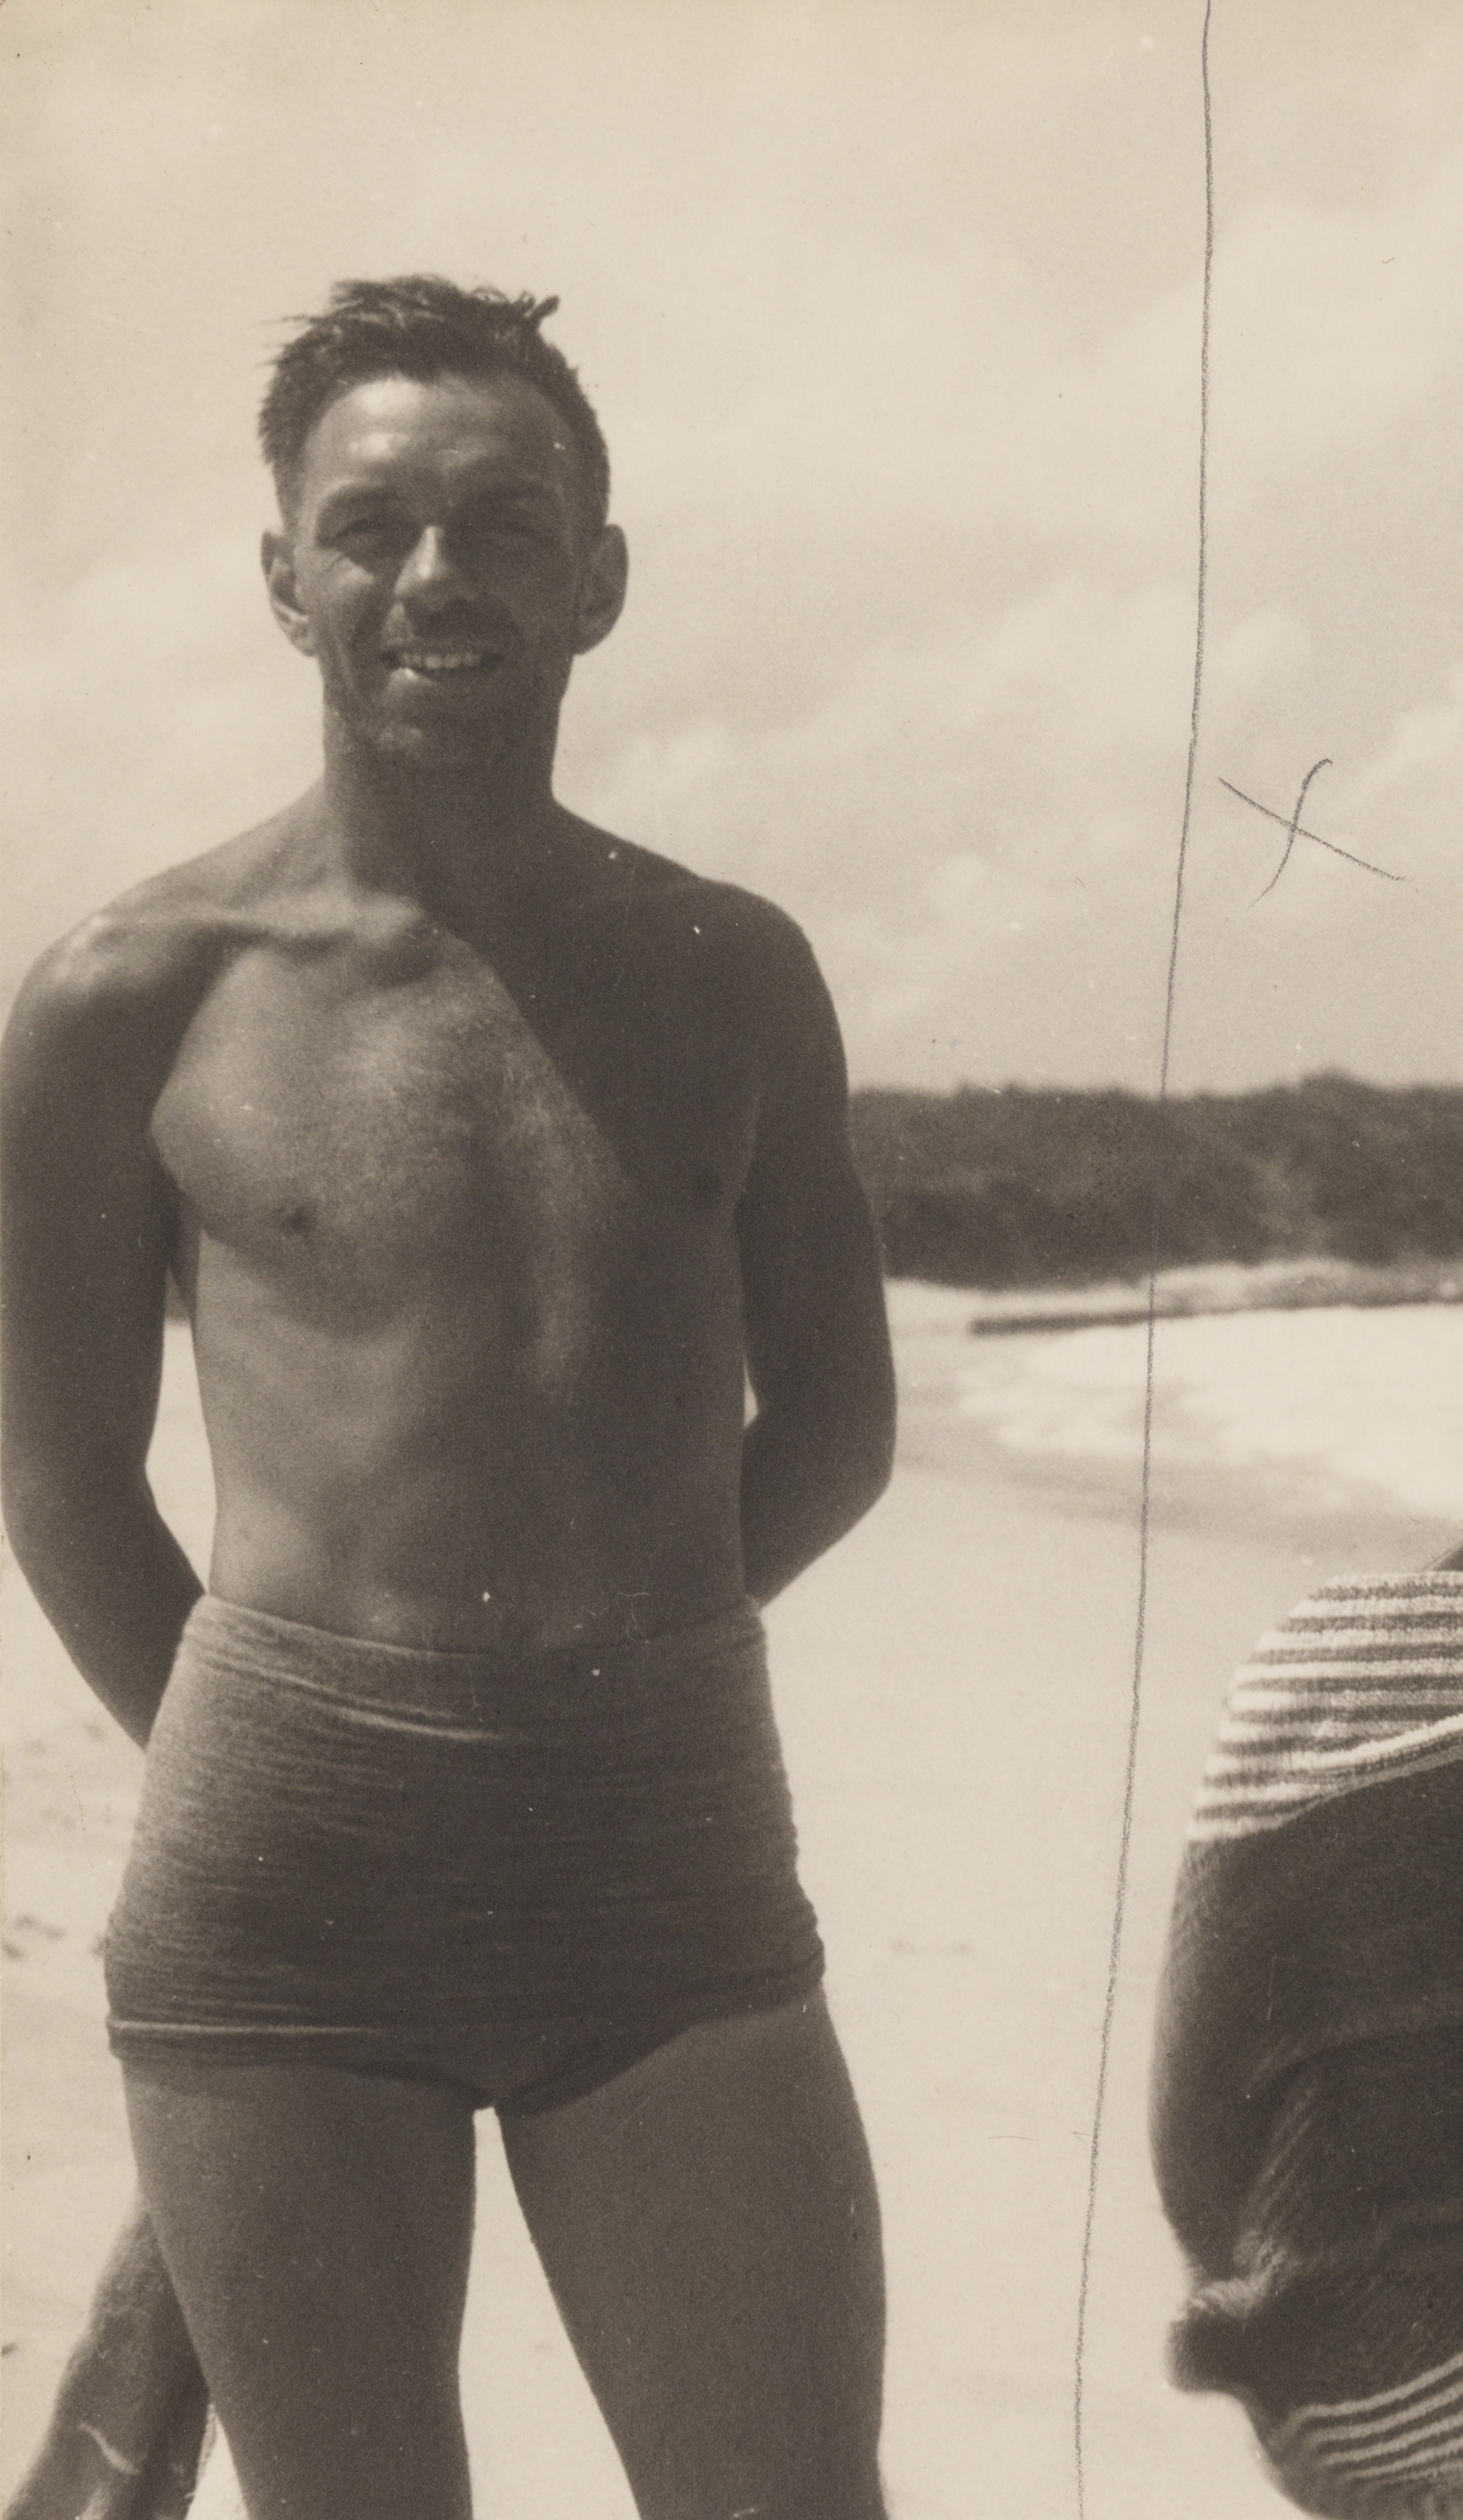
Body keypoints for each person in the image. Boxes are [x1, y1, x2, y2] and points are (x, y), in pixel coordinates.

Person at [1, 277, 898, 2520]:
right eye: (372, 522)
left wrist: (612, 1659)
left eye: (505, 522)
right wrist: (284, 1744)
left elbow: (843, 1424)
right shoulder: (132, 993)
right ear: (282, 571)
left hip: (666, 1851)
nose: (436, 577)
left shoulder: (733, 972)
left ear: (597, 575)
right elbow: (54, 1465)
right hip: (282, 1894)